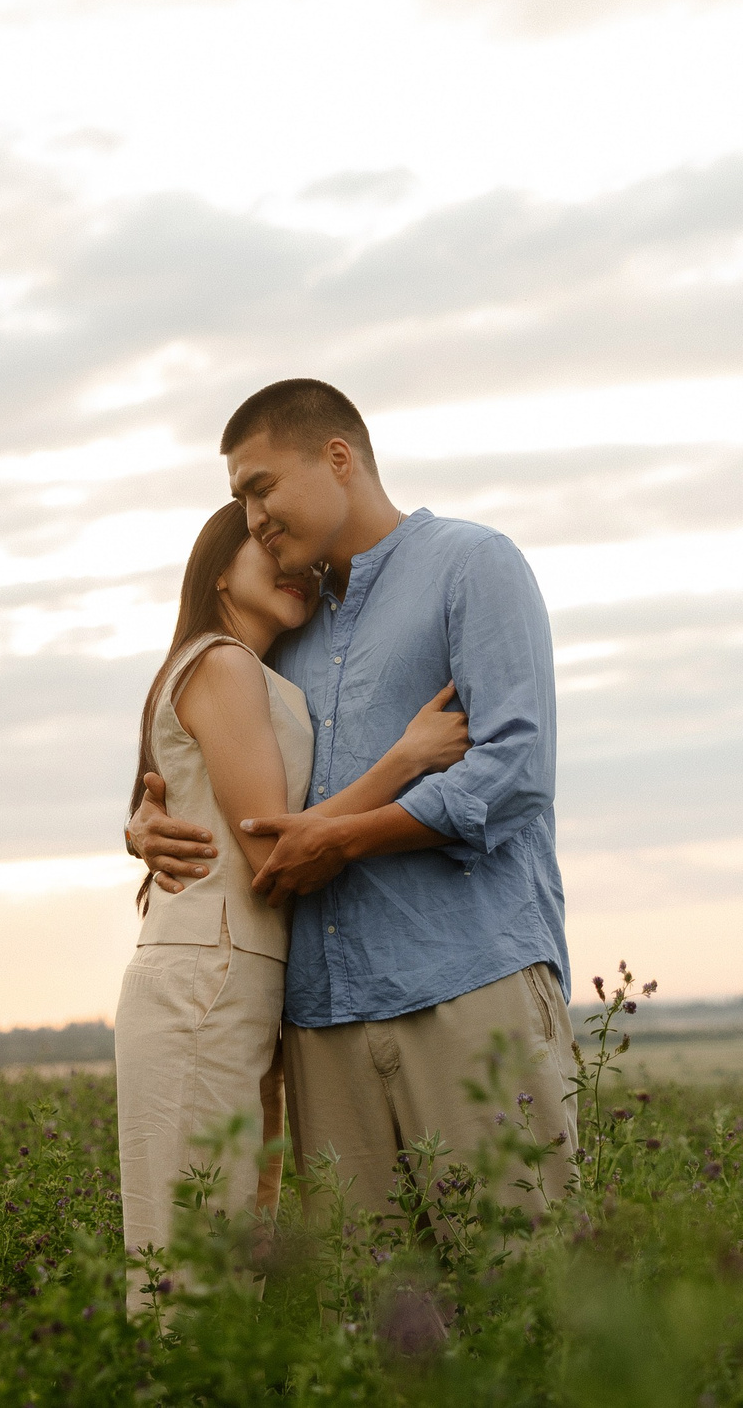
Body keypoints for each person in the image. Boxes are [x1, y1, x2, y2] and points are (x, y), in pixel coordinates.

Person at [128, 379, 573, 1226]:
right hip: (323, 1020)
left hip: (466, 983)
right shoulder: (286, 627)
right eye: (238, 500)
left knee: (520, 1293)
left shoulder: (472, 564)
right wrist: (146, 822)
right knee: (374, 1319)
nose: (252, 516)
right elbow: (230, 773)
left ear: (339, 458)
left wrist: (349, 840)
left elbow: (515, 769)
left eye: (262, 488)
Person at [113, 501, 471, 1312]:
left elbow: (195, 806)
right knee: (189, 1280)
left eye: (300, 557)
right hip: (206, 979)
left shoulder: (249, 671)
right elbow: (272, 851)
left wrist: (137, 830)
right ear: (216, 570)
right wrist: (405, 760)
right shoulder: (226, 665)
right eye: (263, 545)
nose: (295, 566)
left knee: (223, 1270)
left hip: (230, 982)